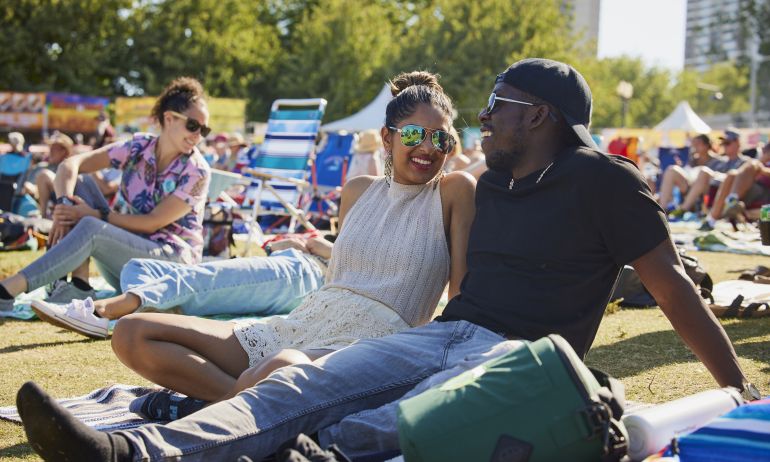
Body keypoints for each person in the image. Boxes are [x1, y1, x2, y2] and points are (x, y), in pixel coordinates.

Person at [16, 59, 756, 462]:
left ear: (540, 116)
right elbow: (422, 177)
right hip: (442, 331)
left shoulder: (603, 180)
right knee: (291, 394)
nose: (484, 117)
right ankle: (131, 452)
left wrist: (738, 390)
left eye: (498, 102)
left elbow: (674, 291)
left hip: (518, 356)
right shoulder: (489, 180)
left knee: (373, 428)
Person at [104, 70, 473, 419]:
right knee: (132, 332)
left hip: (375, 346)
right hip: (306, 321)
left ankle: (217, 408)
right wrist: (312, 247)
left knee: (277, 370)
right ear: (386, 137)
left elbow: (460, 299)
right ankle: (232, 408)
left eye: (441, 138)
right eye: (413, 135)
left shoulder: (453, 192)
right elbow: (362, 264)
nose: (428, 146)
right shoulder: (358, 190)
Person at [0, 77, 211, 310]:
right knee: (81, 181)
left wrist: (95, 215)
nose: (198, 135)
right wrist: (63, 207)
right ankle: (79, 285)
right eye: (193, 126)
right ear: (169, 118)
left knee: (91, 225)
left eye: (205, 129)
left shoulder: (198, 171)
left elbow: (152, 223)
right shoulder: (139, 146)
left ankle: (8, 290)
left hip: (170, 269)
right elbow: (71, 164)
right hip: (126, 261)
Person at [30, 236, 327, 339]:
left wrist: (314, 244)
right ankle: (158, 308)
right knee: (138, 267)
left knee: (198, 280)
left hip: (304, 273)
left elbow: (338, 251)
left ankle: (104, 311)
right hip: (295, 266)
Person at [661, 131, 750, 216]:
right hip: (698, 190)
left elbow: (737, 180)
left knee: (704, 172)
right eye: (723, 143)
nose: (724, 146)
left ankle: (683, 210)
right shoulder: (721, 161)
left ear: (737, 143)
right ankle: (662, 210)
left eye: (727, 143)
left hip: (719, 193)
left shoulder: (745, 162)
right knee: (671, 170)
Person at [700, 142, 770, 229]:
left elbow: (760, 167)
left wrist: (762, 169)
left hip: (763, 190)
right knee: (732, 174)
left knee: (753, 164)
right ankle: (713, 219)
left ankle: (731, 202)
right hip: (751, 186)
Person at [23, 133, 76, 217]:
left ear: (64, 151)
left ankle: (43, 215)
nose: (50, 151)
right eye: (50, 148)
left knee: (44, 175)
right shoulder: (41, 166)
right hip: (37, 204)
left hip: (64, 206)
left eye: (54, 148)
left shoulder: (71, 167)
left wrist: (36, 190)